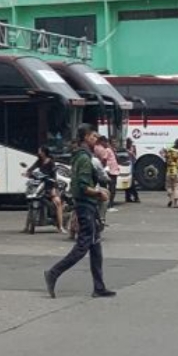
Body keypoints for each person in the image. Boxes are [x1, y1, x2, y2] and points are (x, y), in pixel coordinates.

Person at [44, 124, 115, 299]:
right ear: (86, 137)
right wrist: (99, 193)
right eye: (92, 136)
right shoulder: (84, 159)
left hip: (88, 206)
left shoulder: (82, 156)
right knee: (83, 246)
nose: (95, 138)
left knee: (95, 247)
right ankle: (53, 273)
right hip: (86, 207)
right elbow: (82, 187)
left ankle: (99, 286)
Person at [26, 146, 64, 233]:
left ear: (44, 152)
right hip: (41, 184)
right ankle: (26, 226)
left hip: (50, 185)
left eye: (40, 151)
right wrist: (28, 172)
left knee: (57, 203)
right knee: (31, 200)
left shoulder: (51, 162)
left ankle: (61, 226)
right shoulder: (39, 161)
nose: (38, 152)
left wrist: (54, 188)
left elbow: (54, 175)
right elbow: (32, 167)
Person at [95, 138, 120, 212]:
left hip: (113, 170)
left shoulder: (110, 149)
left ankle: (110, 204)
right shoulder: (108, 150)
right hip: (111, 171)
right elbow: (104, 159)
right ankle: (109, 205)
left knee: (112, 188)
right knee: (112, 189)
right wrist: (102, 167)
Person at [162, 138, 178, 208]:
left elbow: (163, 155)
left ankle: (170, 199)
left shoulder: (169, 151)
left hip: (168, 171)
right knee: (176, 186)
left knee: (169, 186)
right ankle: (175, 203)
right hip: (176, 172)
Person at [124, 138, 140, 203]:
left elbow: (135, 157)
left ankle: (129, 197)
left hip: (131, 166)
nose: (130, 144)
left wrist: (133, 151)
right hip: (128, 167)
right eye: (130, 143)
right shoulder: (125, 150)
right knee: (130, 183)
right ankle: (134, 197)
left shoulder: (132, 148)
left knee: (131, 183)